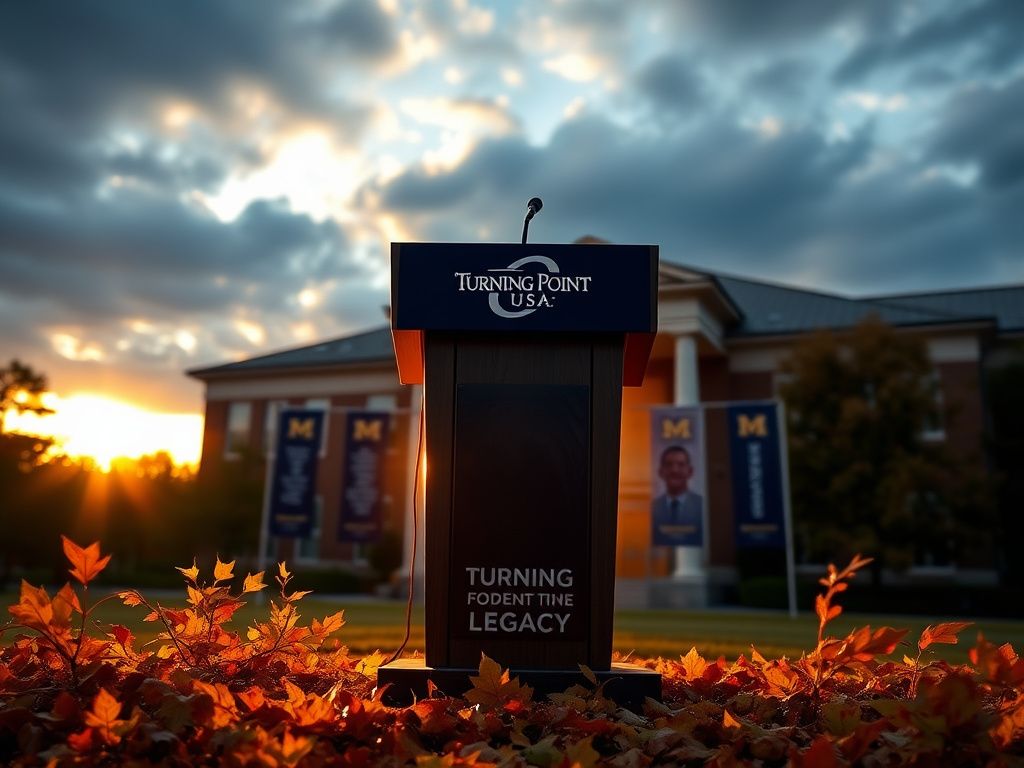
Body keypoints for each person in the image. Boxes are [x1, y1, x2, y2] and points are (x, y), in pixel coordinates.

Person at [651, 445, 703, 545]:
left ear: (690, 471)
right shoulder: (652, 508)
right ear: (661, 472)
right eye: (669, 464)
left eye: (681, 464)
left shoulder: (702, 506)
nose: (675, 470)